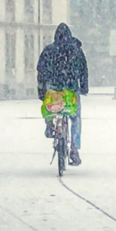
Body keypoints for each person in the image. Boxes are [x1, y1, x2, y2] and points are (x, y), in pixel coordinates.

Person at [37, 23, 89, 166]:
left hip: (53, 89)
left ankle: (50, 124)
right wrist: (84, 87)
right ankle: (74, 148)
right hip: (71, 90)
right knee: (75, 118)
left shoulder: (48, 51)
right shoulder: (76, 51)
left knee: (49, 108)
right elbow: (83, 70)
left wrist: (42, 91)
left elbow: (41, 71)